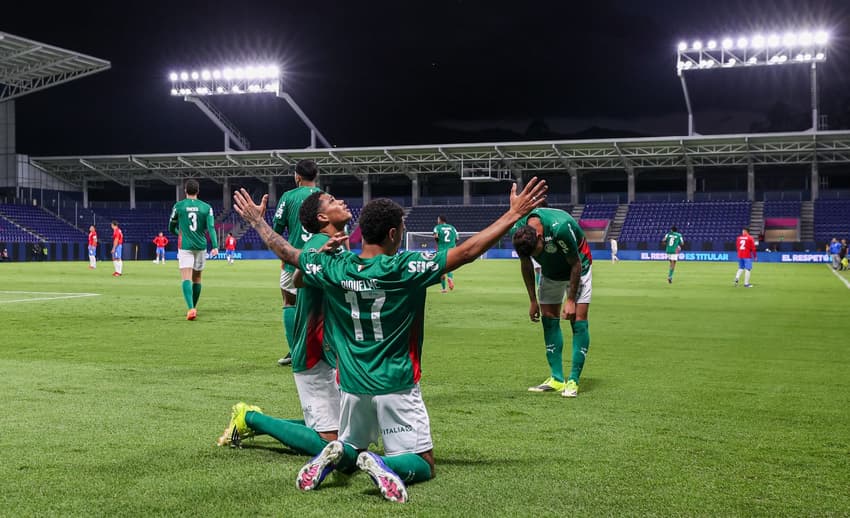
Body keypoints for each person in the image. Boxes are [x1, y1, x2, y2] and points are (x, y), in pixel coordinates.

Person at [232, 177, 547, 504]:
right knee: (423, 463)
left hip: (352, 386)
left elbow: (289, 253)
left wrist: (256, 220)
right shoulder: (405, 267)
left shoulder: (334, 264)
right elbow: (467, 251)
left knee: (351, 446)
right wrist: (513, 214)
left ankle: (341, 453)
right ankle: (384, 464)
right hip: (395, 383)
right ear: (394, 234)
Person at [217, 192, 353, 456]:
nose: (342, 202)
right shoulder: (318, 243)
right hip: (316, 353)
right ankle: (250, 418)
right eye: (334, 201)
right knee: (331, 443)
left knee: (347, 432)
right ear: (322, 217)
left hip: (331, 352)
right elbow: (291, 257)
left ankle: (251, 424)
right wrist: (257, 221)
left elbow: (300, 280)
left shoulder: (330, 243)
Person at [511, 207, 593, 398]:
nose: (534, 257)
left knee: (578, 319)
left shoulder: (560, 228)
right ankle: (556, 379)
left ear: (540, 236)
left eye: (536, 252)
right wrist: (533, 300)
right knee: (548, 318)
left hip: (579, 266)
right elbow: (526, 265)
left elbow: (575, 264)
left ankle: (573, 380)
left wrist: (571, 300)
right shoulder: (519, 232)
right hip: (551, 272)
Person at [272, 159, 322, 366]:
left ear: (297, 176)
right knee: (320, 307)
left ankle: (295, 351)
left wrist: (283, 256)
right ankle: (322, 351)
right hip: (321, 260)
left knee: (288, 301)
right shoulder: (326, 198)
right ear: (315, 176)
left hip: (294, 259)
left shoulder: (288, 196)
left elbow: (276, 228)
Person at [168, 179, 218, 321]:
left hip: (185, 247)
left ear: (185, 191)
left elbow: (170, 226)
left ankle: (191, 308)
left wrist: (179, 233)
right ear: (198, 191)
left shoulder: (179, 206)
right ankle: (194, 307)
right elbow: (211, 228)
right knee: (197, 278)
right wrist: (215, 246)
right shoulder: (206, 207)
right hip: (201, 246)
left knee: (186, 277)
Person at [433, 215, 458, 292]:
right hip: (452, 249)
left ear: (440, 220)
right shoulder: (452, 227)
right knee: (449, 266)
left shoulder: (437, 227)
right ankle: (450, 278)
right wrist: (452, 244)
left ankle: (444, 289)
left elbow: (436, 236)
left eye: (438, 219)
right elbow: (457, 238)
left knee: (441, 268)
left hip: (441, 250)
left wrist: (438, 244)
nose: (437, 220)